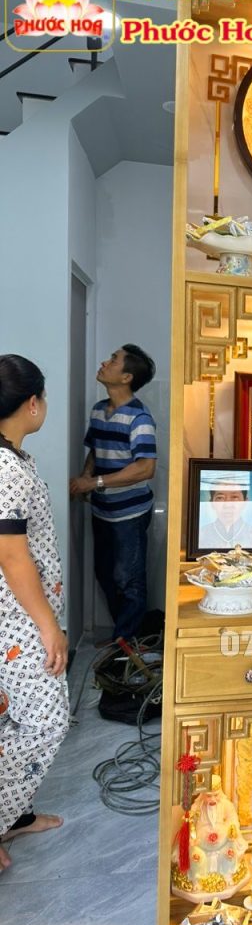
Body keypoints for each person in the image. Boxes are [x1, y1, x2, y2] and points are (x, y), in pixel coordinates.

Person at [0, 355, 69, 874]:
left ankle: (15, 814)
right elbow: (11, 555)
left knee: (14, 720)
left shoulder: (15, 457)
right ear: (32, 403)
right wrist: (48, 627)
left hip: (24, 613)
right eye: (42, 397)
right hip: (19, 619)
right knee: (45, 722)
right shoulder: (4, 467)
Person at [69, 346, 157, 649]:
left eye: (113, 360)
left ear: (126, 377)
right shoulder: (98, 409)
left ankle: (126, 645)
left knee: (128, 580)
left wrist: (93, 482)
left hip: (130, 513)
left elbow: (145, 468)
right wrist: (86, 478)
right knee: (105, 573)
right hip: (102, 509)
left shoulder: (139, 418)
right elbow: (96, 450)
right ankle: (125, 640)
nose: (105, 362)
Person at [198, 471, 252, 550]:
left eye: (234, 497)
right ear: (212, 503)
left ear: (245, 502)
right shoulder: (201, 534)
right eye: (220, 498)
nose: (227, 505)